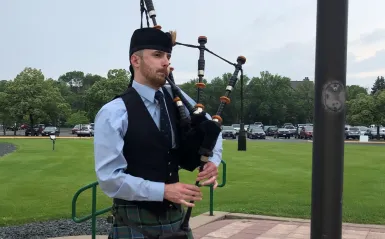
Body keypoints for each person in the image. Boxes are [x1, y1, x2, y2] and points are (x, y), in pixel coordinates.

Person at [93, 27, 223, 239]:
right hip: (134, 222)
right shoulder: (114, 112)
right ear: (135, 60)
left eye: (168, 56)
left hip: (176, 222)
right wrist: (164, 191)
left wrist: (213, 161)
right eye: (157, 55)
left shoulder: (176, 100)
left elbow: (212, 129)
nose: (166, 62)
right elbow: (109, 179)